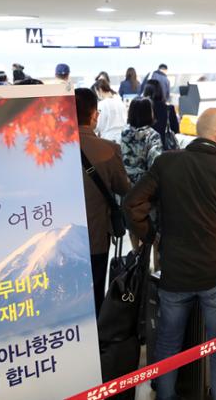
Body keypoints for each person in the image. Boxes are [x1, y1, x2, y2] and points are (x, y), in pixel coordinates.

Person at [123, 108, 216, 400]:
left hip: (175, 274)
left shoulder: (167, 163)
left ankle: (165, 397)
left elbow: (132, 205)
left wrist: (151, 235)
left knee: (168, 345)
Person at [75, 88, 130, 317]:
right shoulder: (108, 150)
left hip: (58, 242)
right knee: (95, 292)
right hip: (95, 236)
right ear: (94, 115)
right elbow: (123, 188)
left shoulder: (51, 149)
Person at [120, 97, 163, 249]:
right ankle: (155, 268)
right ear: (149, 113)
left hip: (127, 189)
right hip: (147, 191)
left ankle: (137, 261)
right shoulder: (153, 135)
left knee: (133, 228)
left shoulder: (123, 134)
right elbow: (155, 164)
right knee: (154, 231)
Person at [143, 79, 179, 150]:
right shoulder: (169, 109)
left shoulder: (142, 108)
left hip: (146, 148)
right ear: (160, 91)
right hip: (164, 149)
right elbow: (175, 129)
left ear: (146, 91)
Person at [94, 78, 128, 143]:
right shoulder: (120, 103)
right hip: (122, 138)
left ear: (100, 90)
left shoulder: (101, 105)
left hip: (107, 139)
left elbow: (98, 126)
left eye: (97, 92)